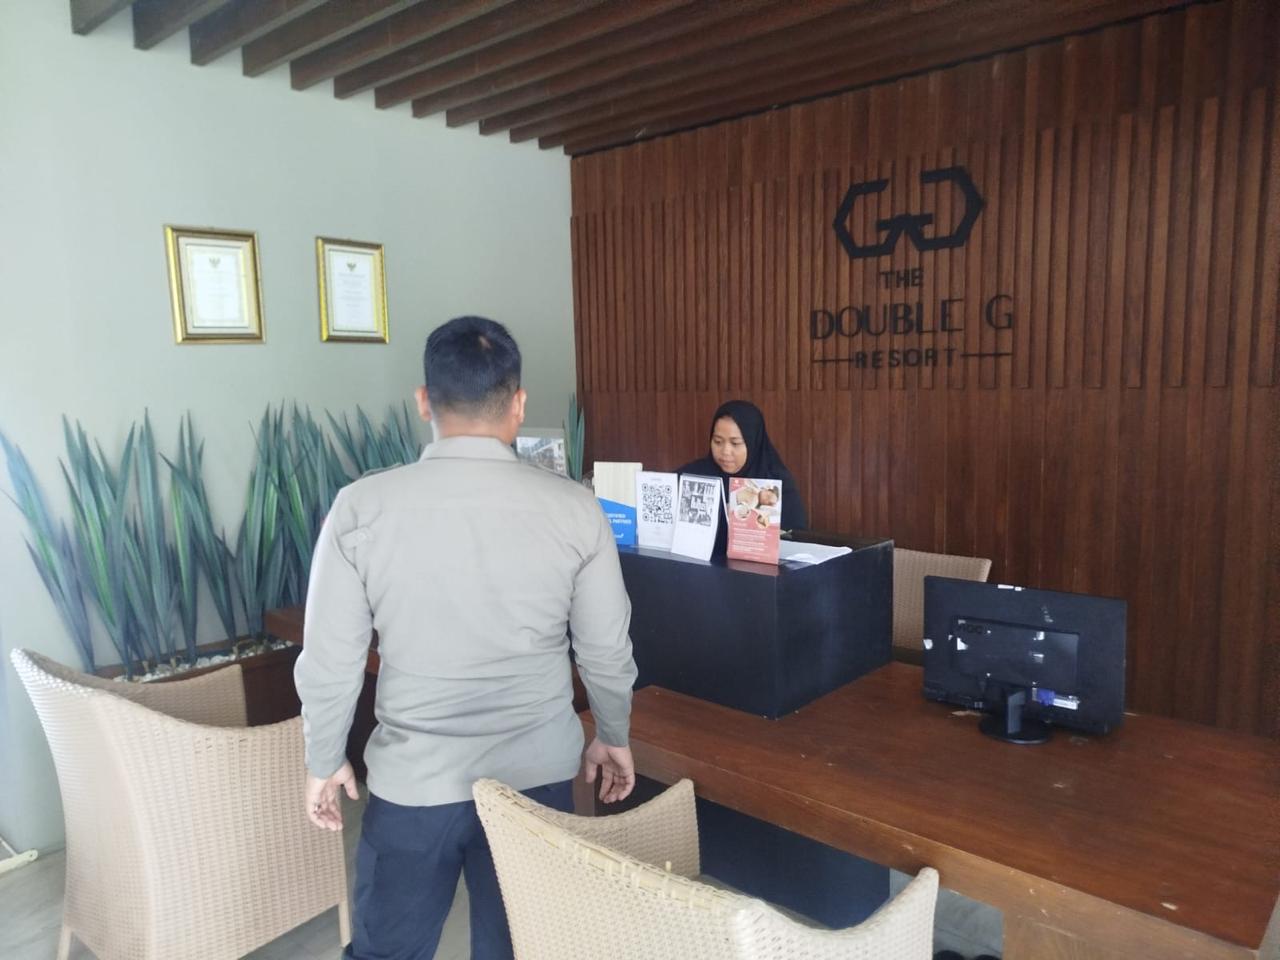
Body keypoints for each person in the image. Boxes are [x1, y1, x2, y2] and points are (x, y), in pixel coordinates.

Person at [296, 315, 638, 960]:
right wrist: (612, 734)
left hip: (411, 783)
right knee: (519, 950)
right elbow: (605, 649)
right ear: (519, 404)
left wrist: (324, 757)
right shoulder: (576, 508)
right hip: (536, 781)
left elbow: (331, 659)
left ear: (424, 401)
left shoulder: (360, 506)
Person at [677, 399, 808, 554]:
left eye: (735, 443)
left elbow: (795, 541)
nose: (725, 451)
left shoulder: (774, 482)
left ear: (753, 443)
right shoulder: (694, 475)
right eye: (718, 442)